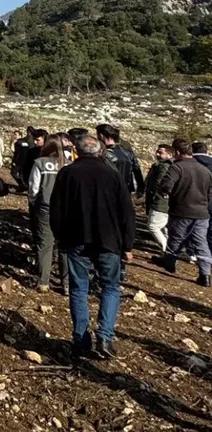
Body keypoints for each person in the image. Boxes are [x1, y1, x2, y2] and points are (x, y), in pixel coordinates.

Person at [50, 135, 135, 358]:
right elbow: (127, 212)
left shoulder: (67, 174)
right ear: (100, 152)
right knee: (110, 287)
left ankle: (81, 337)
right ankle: (105, 337)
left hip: (76, 239)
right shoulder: (113, 175)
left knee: (79, 288)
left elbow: (56, 210)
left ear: (76, 152)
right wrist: (128, 244)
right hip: (109, 240)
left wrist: (60, 238)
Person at [157, 138, 212, 286]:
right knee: (201, 242)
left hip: (182, 210)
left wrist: (166, 192)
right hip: (202, 213)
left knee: (176, 237)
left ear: (176, 152)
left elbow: (166, 185)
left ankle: (169, 263)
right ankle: (205, 275)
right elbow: (210, 193)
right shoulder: (205, 170)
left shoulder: (177, 167)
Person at [28, 134, 67, 293]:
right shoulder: (67, 164)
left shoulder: (40, 163)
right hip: (65, 209)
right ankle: (67, 283)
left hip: (46, 207)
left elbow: (33, 188)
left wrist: (33, 203)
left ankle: (44, 281)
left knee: (45, 244)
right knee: (64, 245)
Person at [97, 124, 143, 195]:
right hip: (126, 191)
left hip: (109, 191)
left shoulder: (103, 155)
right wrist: (141, 188)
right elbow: (137, 171)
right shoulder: (129, 154)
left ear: (101, 136)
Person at [144, 144, 174, 254]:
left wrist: (156, 196)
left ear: (169, 154)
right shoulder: (160, 165)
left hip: (161, 201)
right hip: (162, 200)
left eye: (161, 153)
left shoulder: (164, 166)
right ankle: (169, 250)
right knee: (164, 227)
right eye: (157, 151)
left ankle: (166, 250)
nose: (157, 154)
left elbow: (160, 184)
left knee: (153, 226)